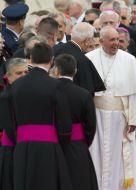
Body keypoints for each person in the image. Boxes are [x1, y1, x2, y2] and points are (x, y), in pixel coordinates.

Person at [7, 42, 74, 190]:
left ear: (31, 58)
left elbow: (10, 121)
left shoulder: (15, 86)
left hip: (22, 147)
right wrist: (62, 144)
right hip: (49, 147)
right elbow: (64, 122)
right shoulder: (56, 85)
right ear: (51, 60)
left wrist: (18, 140)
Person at [86, 26, 136, 190]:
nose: (116, 43)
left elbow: (135, 92)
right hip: (97, 116)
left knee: (120, 159)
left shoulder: (129, 60)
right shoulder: (89, 58)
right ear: (101, 41)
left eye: (118, 39)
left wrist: (133, 119)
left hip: (120, 119)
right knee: (97, 155)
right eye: (112, 40)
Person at [51, 54, 98, 190]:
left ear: (56, 70)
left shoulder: (50, 91)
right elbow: (91, 125)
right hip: (78, 144)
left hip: (54, 143)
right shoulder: (83, 94)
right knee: (79, 180)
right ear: (75, 71)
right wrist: (84, 142)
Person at [53, 22, 105, 94]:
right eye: (92, 39)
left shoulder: (55, 49)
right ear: (87, 41)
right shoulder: (82, 60)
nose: (93, 43)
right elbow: (87, 92)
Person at [0, 58, 28, 190]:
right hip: (13, 148)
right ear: (9, 77)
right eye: (19, 73)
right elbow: (10, 128)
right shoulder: (6, 97)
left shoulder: (30, 93)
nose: (23, 76)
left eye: (26, 72)